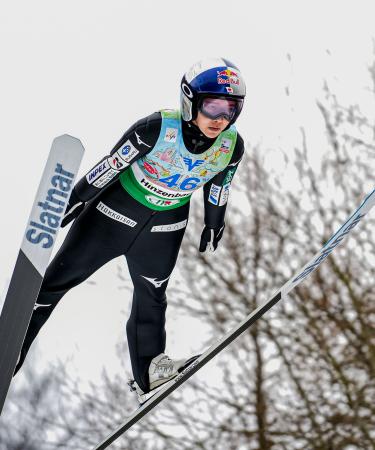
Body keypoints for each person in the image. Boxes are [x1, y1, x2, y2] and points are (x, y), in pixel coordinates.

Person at [14, 57, 246, 404]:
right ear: (190, 100)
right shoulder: (156, 128)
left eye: (230, 109)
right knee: (54, 284)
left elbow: (219, 185)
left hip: (166, 224)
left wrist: (215, 222)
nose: (220, 118)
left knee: (152, 296)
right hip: (113, 213)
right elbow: (112, 164)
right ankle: (12, 345)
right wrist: (76, 198)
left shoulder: (231, 146)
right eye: (212, 106)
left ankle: (150, 370)